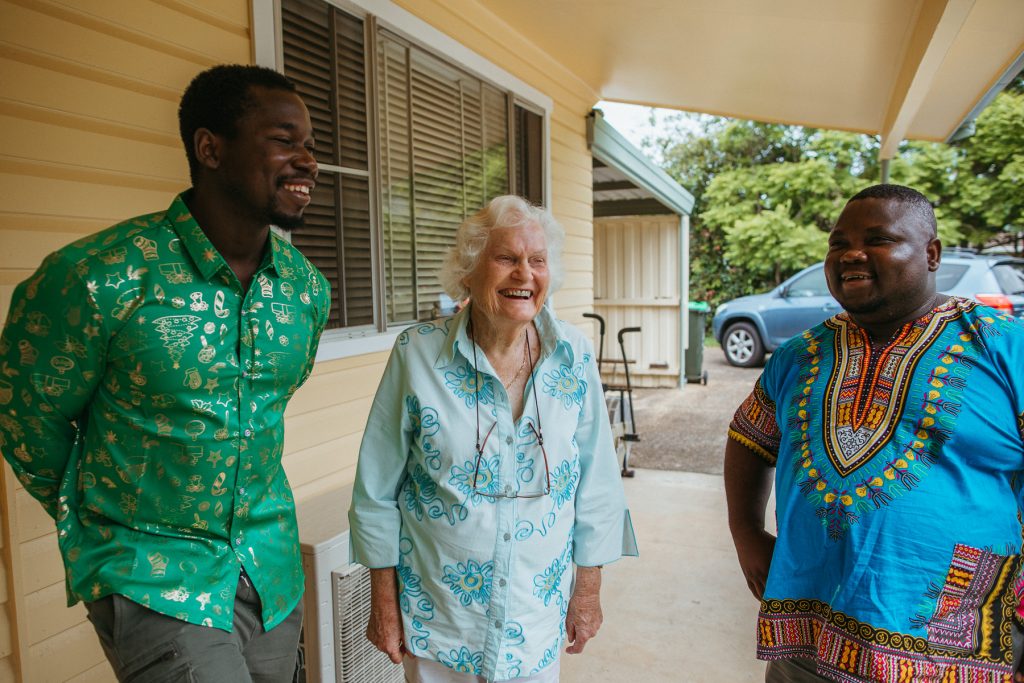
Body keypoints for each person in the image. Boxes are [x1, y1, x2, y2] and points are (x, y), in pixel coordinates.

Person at [0, 64, 329, 681]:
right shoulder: (99, 277)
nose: (308, 161)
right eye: (285, 141)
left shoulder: (305, 291)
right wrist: (100, 521)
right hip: (154, 575)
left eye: (310, 145)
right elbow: (25, 414)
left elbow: (263, 411)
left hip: (270, 567)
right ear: (210, 149)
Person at [724, 183, 1024, 683]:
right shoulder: (799, 355)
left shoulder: (1004, 347)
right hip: (809, 640)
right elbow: (749, 438)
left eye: (879, 239)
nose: (851, 254)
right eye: (837, 243)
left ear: (931, 254)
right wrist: (746, 533)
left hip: (958, 647)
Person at [349, 195, 637, 682]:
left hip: (534, 617)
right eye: (506, 258)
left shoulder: (574, 355)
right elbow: (375, 490)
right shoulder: (417, 354)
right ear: (468, 270)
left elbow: (599, 485)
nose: (524, 274)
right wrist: (384, 602)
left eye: (537, 260)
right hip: (441, 618)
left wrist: (586, 591)